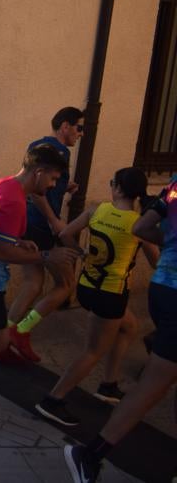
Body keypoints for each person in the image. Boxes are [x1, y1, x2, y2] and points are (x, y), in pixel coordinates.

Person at [63, 175, 177, 483]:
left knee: (129, 334)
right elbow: (139, 232)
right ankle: (59, 405)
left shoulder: (100, 210)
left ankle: (107, 386)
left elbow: (144, 228)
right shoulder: (127, 217)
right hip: (116, 293)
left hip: (156, 289)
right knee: (101, 354)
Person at [0, 146, 80, 407]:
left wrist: (20, 242)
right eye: (53, 179)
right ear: (39, 172)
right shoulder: (14, 200)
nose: (54, 185)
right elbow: (1, 250)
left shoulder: (3, 185)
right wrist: (46, 256)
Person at [35, 168, 159, 427]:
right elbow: (156, 261)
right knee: (92, 351)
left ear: (119, 189)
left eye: (113, 182)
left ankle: (109, 385)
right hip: (110, 294)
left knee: (129, 327)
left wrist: (81, 253)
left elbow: (65, 234)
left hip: (87, 287)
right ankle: (53, 400)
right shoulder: (138, 224)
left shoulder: (96, 210)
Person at [8, 107, 85, 362]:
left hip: (29, 220)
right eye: (79, 128)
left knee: (34, 282)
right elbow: (37, 191)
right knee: (66, 284)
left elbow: (40, 185)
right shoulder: (59, 151)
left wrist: (65, 187)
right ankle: (21, 330)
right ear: (65, 126)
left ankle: (5, 334)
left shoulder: (37, 144)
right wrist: (54, 220)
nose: (80, 134)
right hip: (42, 224)